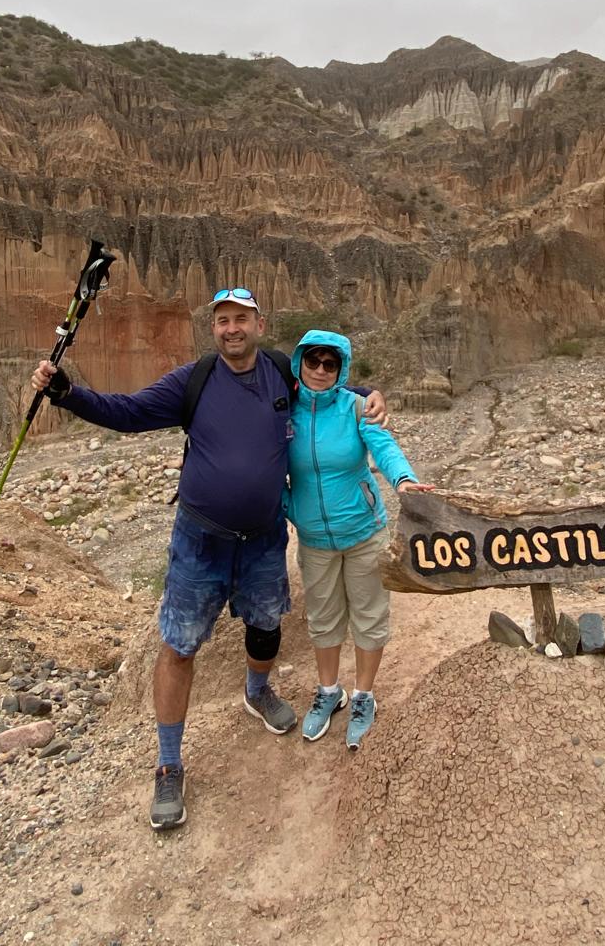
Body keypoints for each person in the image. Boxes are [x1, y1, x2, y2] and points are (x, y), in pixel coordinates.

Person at [29, 289, 386, 830]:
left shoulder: (280, 373)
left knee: (266, 626)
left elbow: (325, 389)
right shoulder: (190, 382)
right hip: (201, 540)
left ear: (260, 325)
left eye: (240, 318)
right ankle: (169, 764)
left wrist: (368, 394)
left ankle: (257, 690)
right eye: (222, 321)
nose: (231, 328)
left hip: (265, 538)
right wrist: (66, 393)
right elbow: (127, 414)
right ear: (213, 329)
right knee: (179, 644)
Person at [285, 329, 433, 750]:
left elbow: (384, 448)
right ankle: (329, 692)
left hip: (364, 532)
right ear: (299, 363)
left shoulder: (355, 408)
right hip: (314, 540)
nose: (319, 370)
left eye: (329, 364)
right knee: (324, 618)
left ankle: (364, 696)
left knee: (369, 615)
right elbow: (270, 465)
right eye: (312, 361)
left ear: (341, 370)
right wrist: (287, 506)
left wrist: (404, 480)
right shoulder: (286, 413)